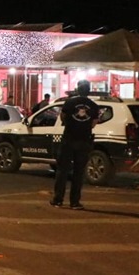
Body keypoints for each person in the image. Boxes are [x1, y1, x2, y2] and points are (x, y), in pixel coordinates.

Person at [51, 80, 100, 210]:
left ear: (78, 89)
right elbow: (94, 123)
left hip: (68, 139)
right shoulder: (94, 106)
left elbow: (62, 117)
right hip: (84, 141)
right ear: (89, 90)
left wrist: (71, 124)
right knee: (78, 172)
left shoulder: (70, 102)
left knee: (62, 170)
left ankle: (58, 200)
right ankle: (74, 202)